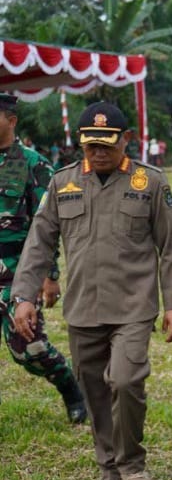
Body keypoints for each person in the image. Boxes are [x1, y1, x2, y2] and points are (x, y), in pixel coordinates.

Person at [12, 101, 172, 480]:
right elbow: (39, 243)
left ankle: (133, 466)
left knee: (125, 382)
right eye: (91, 144)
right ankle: (108, 474)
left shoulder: (150, 182)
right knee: (93, 390)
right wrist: (25, 295)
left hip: (133, 306)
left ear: (126, 139)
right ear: (81, 143)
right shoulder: (62, 183)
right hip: (83, 309)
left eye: (108, 143)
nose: (99, 151)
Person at [0, 93, 87, 424]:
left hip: (18, 276)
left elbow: (48, 226)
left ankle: (71, 389)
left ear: (11, 120)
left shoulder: (34, 164)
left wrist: (49, 276)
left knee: (30, 350)